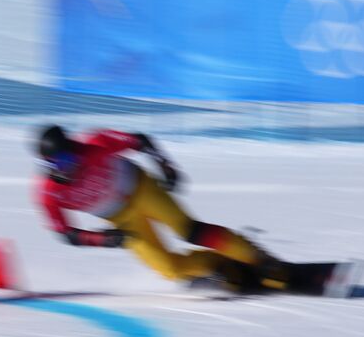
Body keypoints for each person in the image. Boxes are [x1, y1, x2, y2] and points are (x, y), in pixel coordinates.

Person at [34, 125, 287, 293]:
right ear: (47, 166)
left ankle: (258, 258)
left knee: (190, 231)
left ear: (75, 149)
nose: (67, 168)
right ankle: (219, 266)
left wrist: (167, 167)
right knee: (170, 270)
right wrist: (103, 239)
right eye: (58, 164)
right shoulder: (48, 193)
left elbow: (140, 141)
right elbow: (66, 234)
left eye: (70, 159)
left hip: (144, 190)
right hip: (123, 220)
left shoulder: (94, 144)